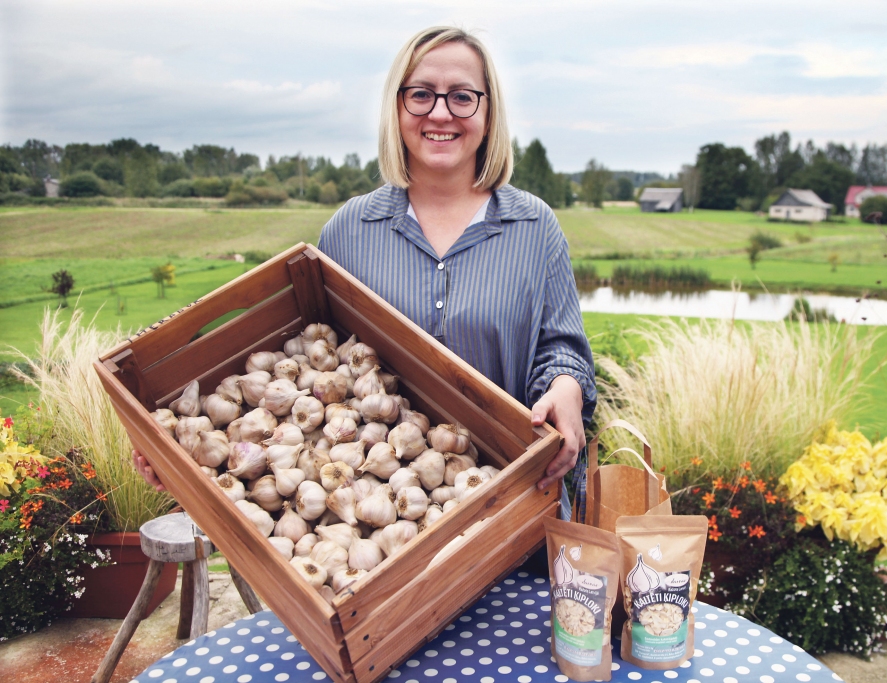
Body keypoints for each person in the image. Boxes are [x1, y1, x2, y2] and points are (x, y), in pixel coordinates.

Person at [133, 26, 596, 514]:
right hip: (382, 525)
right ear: (397, 108)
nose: (440, 112)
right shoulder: (348, 231)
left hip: (513, 507)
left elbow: (561, 347)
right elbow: (310, 366)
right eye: (421, 95)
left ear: (488, 111)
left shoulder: (535, 226)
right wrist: (183, 444)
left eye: (462, 96)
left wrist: (565, 387)